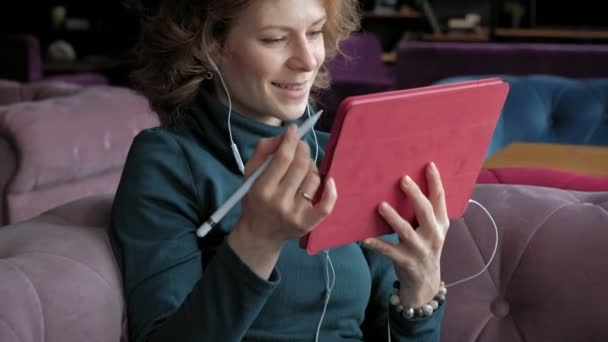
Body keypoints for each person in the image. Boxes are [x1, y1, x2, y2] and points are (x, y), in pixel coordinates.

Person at [110, 0, 450, 341]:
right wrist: (256, 239)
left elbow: (386, 330)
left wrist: (420, 288)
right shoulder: (170, 160)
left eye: (315, 32)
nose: (307, 60)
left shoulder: (339, 151)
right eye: (274, 39)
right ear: (207, 46)